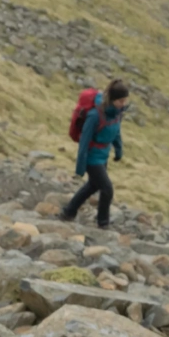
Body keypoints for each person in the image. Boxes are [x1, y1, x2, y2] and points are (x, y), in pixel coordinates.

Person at [63, 79, 130, 229]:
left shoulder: (117, 113)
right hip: (92, 158)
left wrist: (119, 149)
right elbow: (84, 142)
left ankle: (68, 212)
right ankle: (103, 223)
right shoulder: (94, 115)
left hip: (103, 155)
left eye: (125, 100)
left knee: (93, 186)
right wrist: (80, 167)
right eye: (121, 100)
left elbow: (116, 131)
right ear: (112, 99)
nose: (124, 103)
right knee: (107, 189)